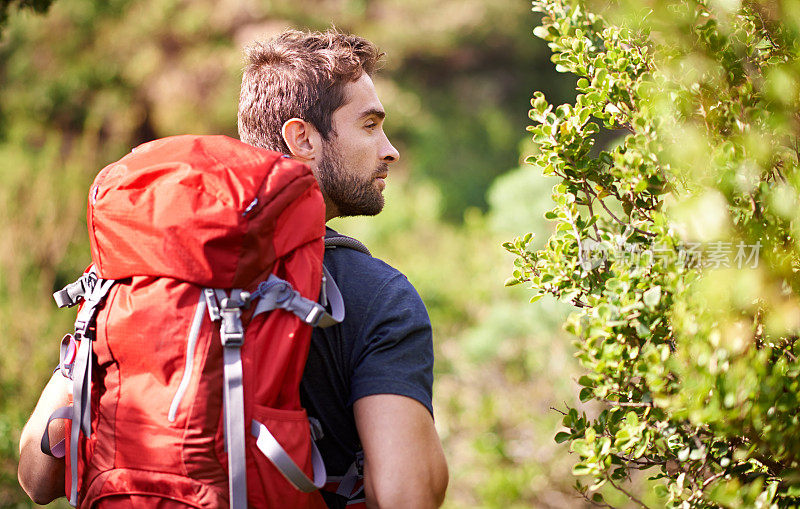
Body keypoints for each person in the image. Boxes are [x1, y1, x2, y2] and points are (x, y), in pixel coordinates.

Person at [19, 29, 448, 509]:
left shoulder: (146, 268)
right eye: (369, 125)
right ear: (302, 137)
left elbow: (37, 474)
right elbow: (407, 496)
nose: (390, 149)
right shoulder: (377, 295)